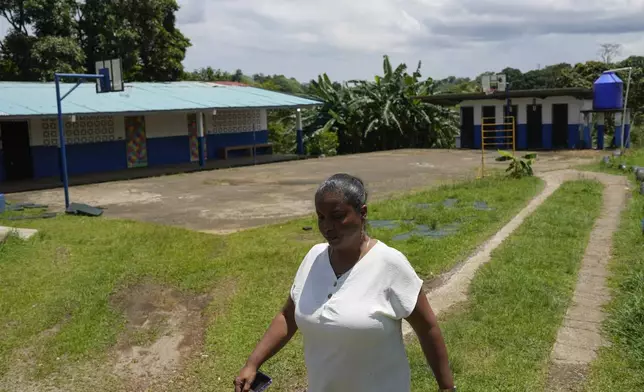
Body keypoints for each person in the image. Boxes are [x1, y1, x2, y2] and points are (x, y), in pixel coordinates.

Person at [235, 173, 455, 392]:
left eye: (337, 216)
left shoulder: (389, 264)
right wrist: (252, 363)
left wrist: (447, 388)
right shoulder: (314, 258)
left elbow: (427, 328)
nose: (327, 227)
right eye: (321, 217)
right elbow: (287, 316)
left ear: (362, 212)